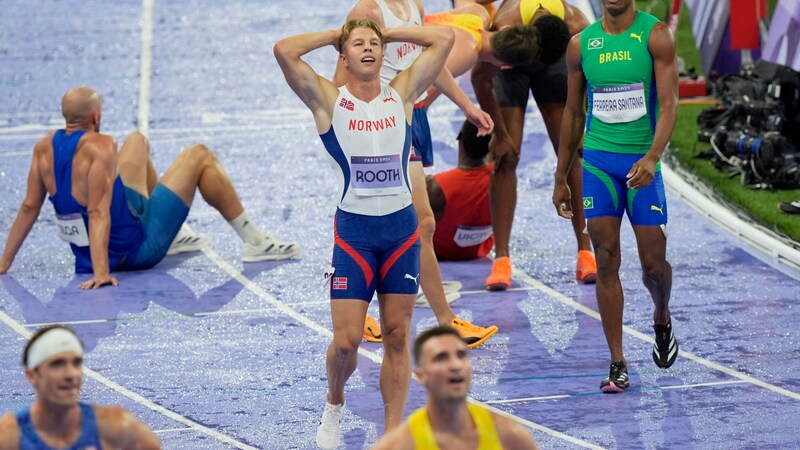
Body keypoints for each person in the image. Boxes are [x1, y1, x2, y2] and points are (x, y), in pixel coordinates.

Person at [274, 19, 454, 448]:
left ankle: (392, 434)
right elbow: (284, 50)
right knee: (346, 343)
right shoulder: (328, 101)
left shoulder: (403, 94)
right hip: (354, 236)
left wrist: (390, 33)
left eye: (375, 44)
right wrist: (333, 34)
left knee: (396, 333)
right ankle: (334, 403)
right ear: (345, 55)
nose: (369, 49)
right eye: (359, 44)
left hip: (401, 234)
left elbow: (444, 38)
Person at [0, 86, 299, 289]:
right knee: (200, 155)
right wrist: (102, 274)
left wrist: (4, 262)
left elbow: (29, 206)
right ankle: (255, 240)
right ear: (95, 116)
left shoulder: (43, 147)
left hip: (92, 248)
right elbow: (97, 211)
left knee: (136, 141)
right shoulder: (101, 146)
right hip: (136, 251)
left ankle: (177, 235)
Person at [337, 0, 499, 350]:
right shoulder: (369, 10)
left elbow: (427, 63)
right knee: (412, 220)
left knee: (416, 223)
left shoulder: (413, 5)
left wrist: (466, 106)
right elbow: (340, 77)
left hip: (410, 115)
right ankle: (441, 320)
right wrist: (348, 124)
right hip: (379, 121)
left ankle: (423, 316)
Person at [552, 0, 679, 393]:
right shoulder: (581, 44)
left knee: (653, 264)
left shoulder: (654, 36)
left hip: (642, 165)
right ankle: (617, 361)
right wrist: (561, 176)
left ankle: (661, 315)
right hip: (599, 167)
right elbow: (573, 112)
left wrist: (653, 157)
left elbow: (670, 103)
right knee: (606, 261)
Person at [471, 0, 596, 290]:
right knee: (506, 155)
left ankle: (585, 252)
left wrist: (586, 124)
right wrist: (499, 134)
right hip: (512, 60)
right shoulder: (506, 24)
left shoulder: (579, 27)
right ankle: (501, 258)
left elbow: (593, 81)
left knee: (574, 152)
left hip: (555, 65)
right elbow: (480, 77)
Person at [371, 325, 539, 449]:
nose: (455, 365)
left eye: (461, 356)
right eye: (441, 358)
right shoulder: (398, 445)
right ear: (421, 375)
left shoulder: (510, 437)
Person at [0, 325, 161, 449]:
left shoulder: (114, 426)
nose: (70, 374)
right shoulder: (8, 437)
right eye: (57, 364)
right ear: (31, 375)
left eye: (76, 363)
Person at [429, 120, 494, 261]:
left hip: (440, 252)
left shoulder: (436, 186)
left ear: (460, 140)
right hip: (478, 250)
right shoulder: (500, 181)